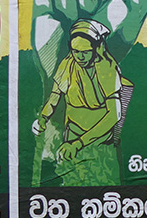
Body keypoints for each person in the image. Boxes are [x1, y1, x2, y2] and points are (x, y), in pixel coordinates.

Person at [32, 19, 127, 186]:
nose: (80, 57)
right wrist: (43, 118)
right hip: (71, 142)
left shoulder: (107, 69)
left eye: (86, 52)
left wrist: (78, 144)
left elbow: (114, 114)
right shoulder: (67, 65)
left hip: (100, 145)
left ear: (97, 48)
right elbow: (54, 97)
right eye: (76, 51)